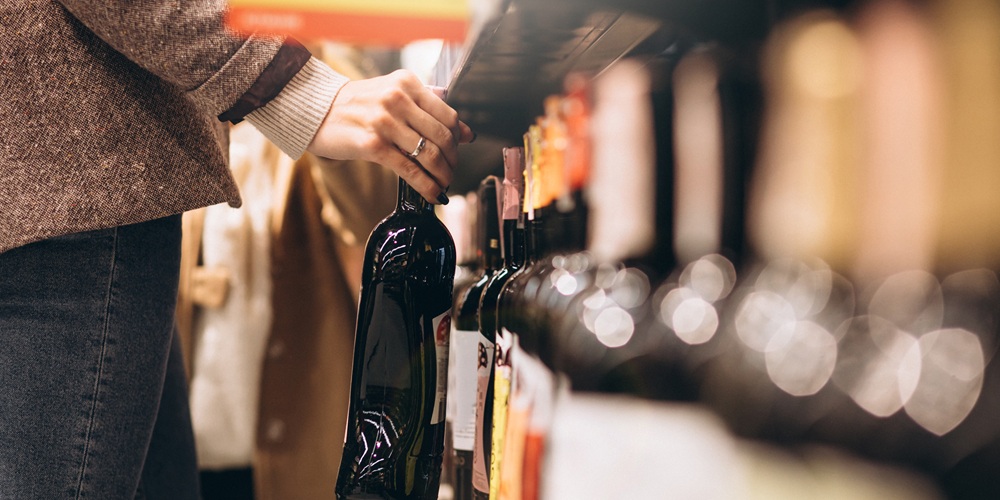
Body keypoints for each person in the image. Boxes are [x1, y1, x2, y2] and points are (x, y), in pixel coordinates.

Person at [0, 1, 473, 498]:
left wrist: (312, 71)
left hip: (82, 191)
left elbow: (370, 206)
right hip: (76, 190)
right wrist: (297, 91)